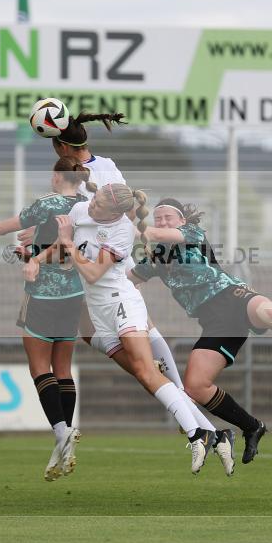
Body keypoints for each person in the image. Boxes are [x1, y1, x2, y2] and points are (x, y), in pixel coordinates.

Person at [129, 198, 272, 465]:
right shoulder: (155, 258)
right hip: (215, 322)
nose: (161, 221)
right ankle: (252, 427)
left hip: (234, 296)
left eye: (167, 217)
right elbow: (126, 281)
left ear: (182, 221)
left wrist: (129, 221)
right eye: (158, 217)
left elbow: (155, 233)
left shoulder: (191, 233)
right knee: (195, 385)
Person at [50, 183, 230, 475]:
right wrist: (39, 255)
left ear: (116, 212)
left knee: (148, 373)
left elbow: (94, 273)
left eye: (99, 204)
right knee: (135, 366)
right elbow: (64, 252)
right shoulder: (80, 209)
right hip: (99, 311)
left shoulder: (121, 230)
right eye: (94, 199)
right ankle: (211, 432)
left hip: (122, 304)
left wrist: (67, 242)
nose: (92, 205)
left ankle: (199, 434)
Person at [0, 157, 86, 481]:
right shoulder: (86, 205)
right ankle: (65, 435)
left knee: (39, 368)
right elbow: (66, 245)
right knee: (63, 369)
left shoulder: (46, 204)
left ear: (55, 177)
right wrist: (32, 251)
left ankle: (61, 433)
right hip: (74, 293)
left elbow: (4, 228)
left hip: (43, 294)